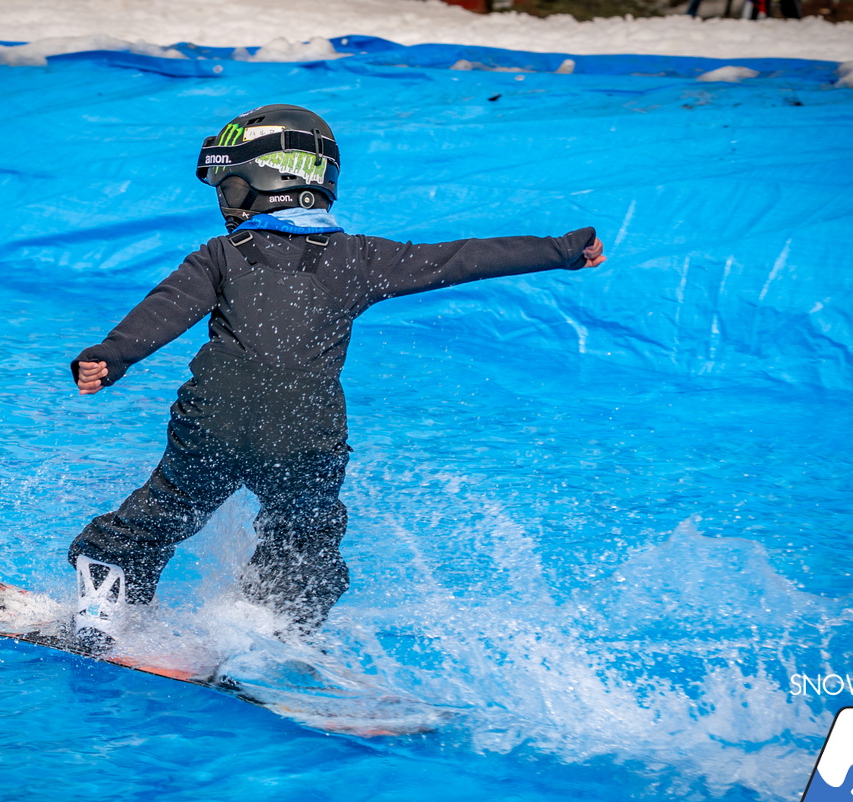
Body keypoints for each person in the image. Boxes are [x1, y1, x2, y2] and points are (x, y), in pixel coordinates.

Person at [67, 103, 606, 647]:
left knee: (172, 502)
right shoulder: (361, 258)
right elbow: (463, 258)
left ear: (271, 181)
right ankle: (261, 623)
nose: (226, 206)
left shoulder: (222, 254)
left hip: (215, 416)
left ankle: (108, 582)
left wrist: (112, 356)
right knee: (305, 531)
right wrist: (561, 250)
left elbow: (168, 306)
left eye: (230, 190)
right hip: (305, 429)